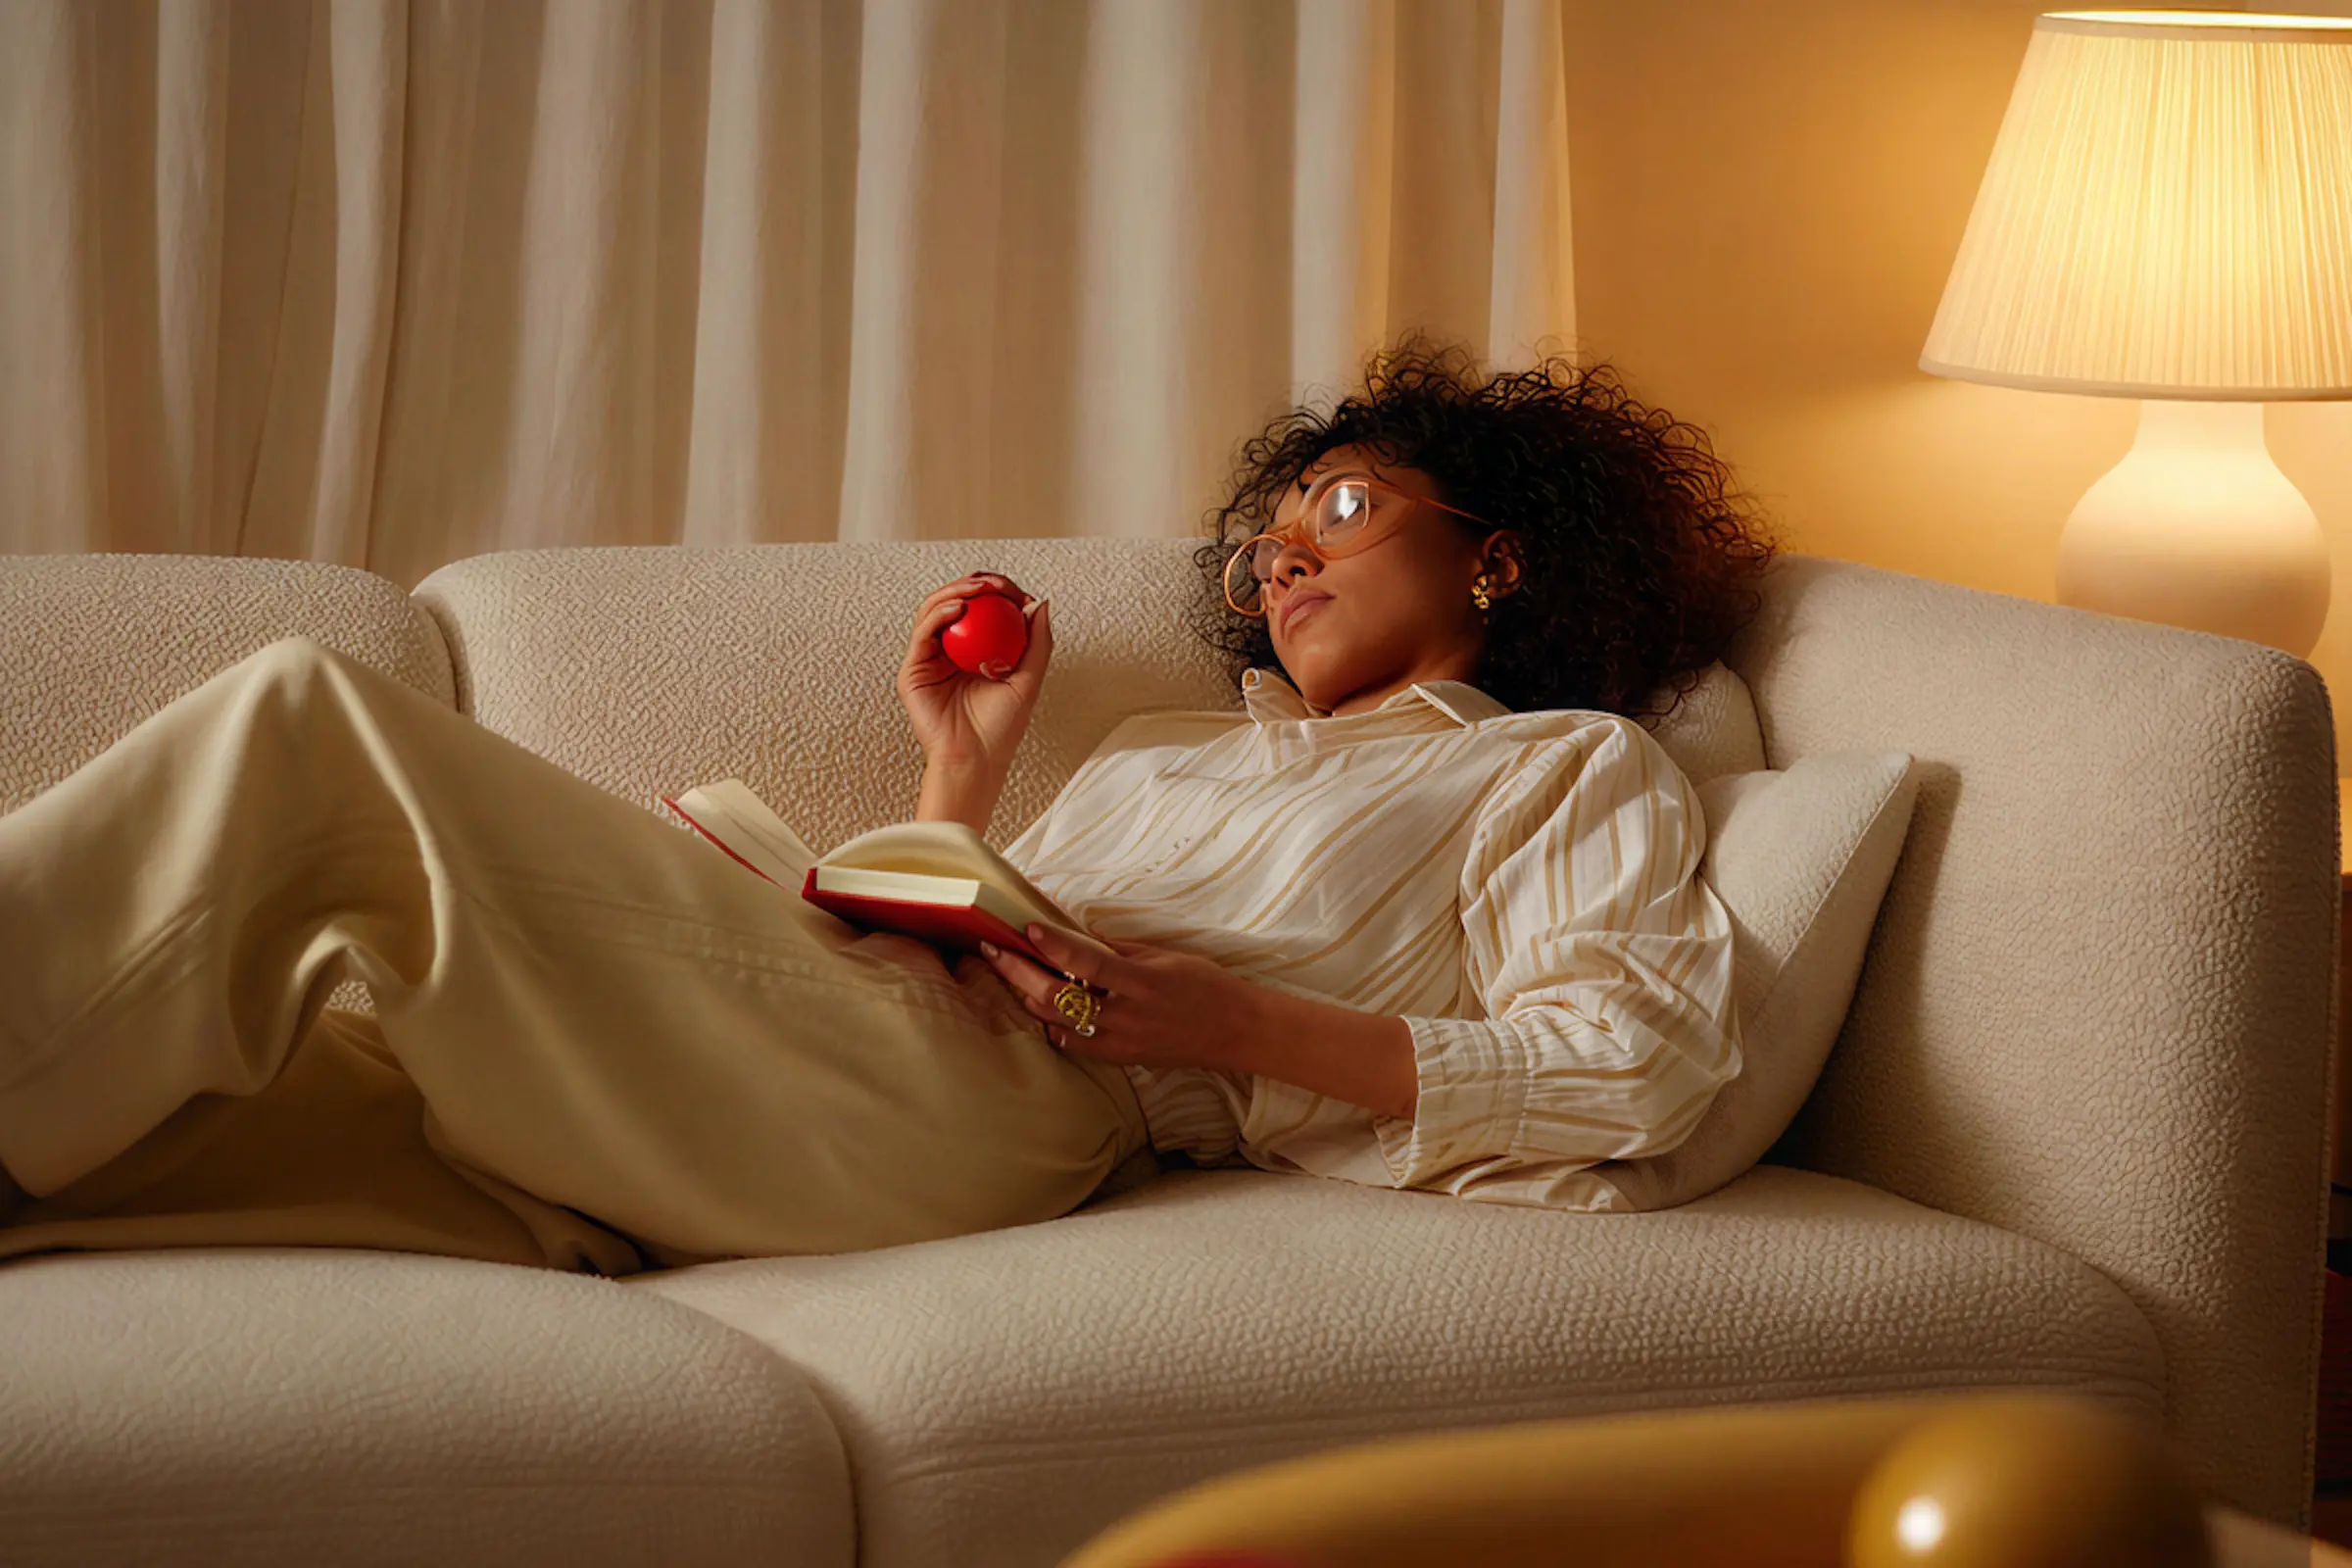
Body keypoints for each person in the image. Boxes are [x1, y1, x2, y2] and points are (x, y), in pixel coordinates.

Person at [0, 334, 1779, 1276]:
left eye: (1343, 507)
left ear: (1505, 553)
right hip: (876, 1034)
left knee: (309, 734)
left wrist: (1234, 1025)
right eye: (1272, 525)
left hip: (1011, 1116)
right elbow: (954, 917)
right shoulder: (1173, 748)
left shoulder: (1553, 768)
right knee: (315, 1062)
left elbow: (1638, 1058)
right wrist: (964, 763)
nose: (1282, 552)